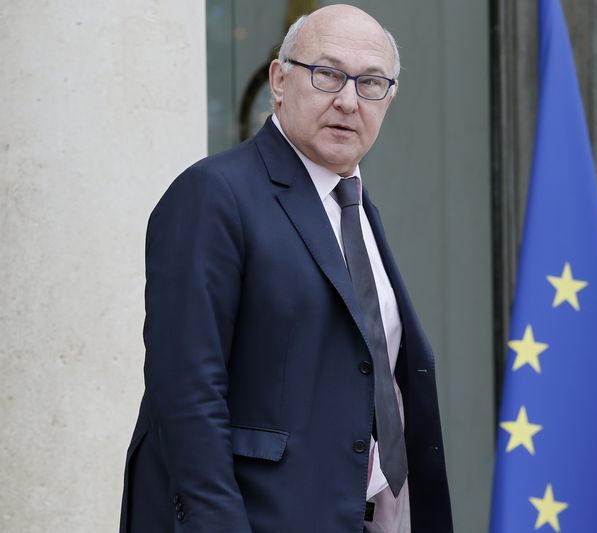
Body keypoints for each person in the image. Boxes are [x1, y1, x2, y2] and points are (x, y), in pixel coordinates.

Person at [119, 5, 452, 533]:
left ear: (389, 98)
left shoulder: (356, 206)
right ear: (279, 80)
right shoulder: (214, 194)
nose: (347, 101)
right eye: (327, 75)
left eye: (370, 83)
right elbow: (185, 392)